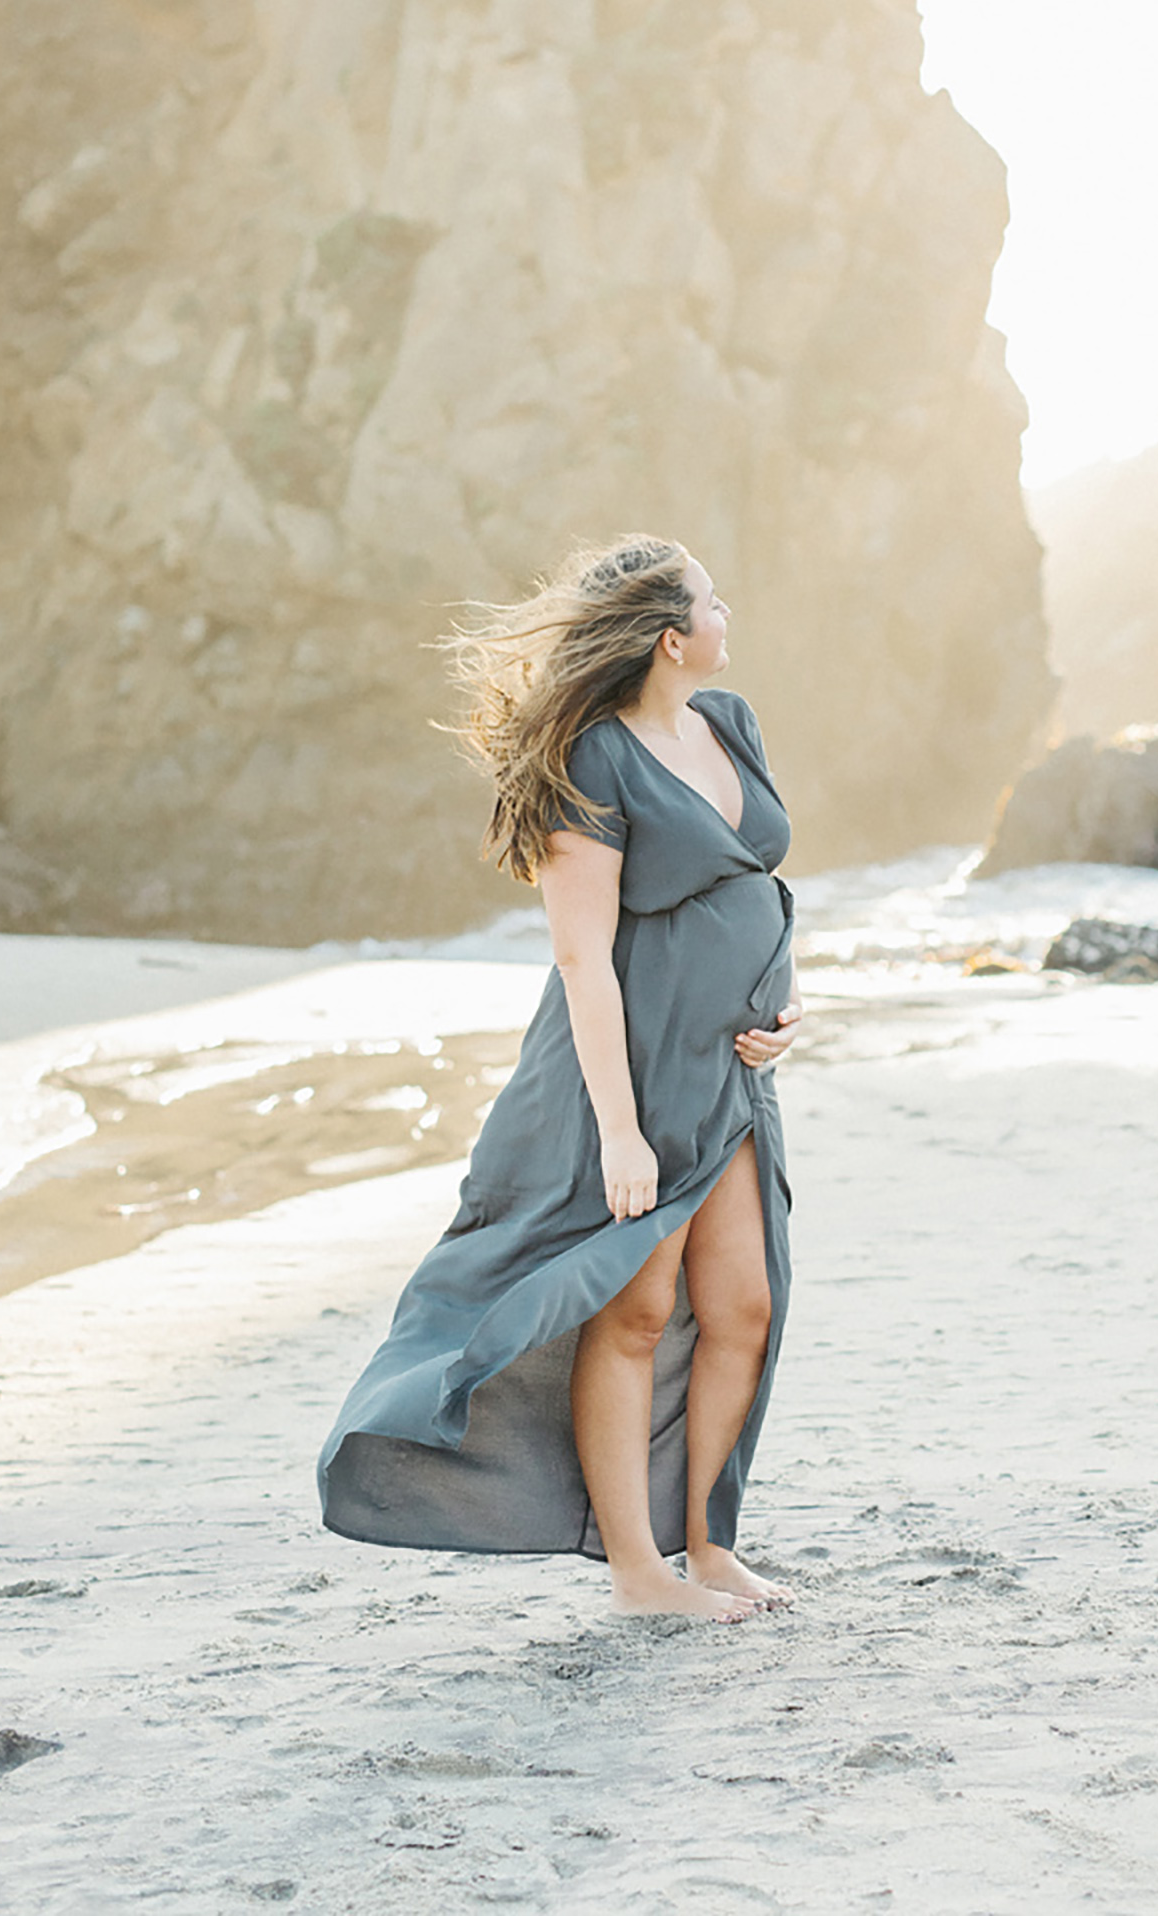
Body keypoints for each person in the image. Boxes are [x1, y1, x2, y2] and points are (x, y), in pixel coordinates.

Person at [317, 536, 802, 1622]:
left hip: (731, 1071)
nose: (731, 612)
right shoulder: (593, 758)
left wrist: (781, 1009)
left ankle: (707, 1545)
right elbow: (583, 958)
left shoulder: (729, 725)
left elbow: (751, 885)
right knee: (631, 1311)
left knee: (743, 1307)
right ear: (672, 637)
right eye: (714, 599)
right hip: (625, 1075)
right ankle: (639, 1571)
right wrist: (620, 1134)